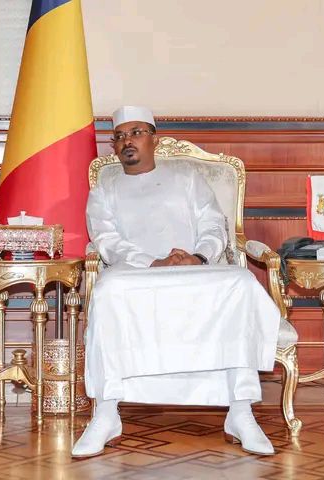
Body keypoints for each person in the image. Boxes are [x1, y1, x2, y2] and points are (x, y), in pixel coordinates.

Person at [71, 106, 281, 458]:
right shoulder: (104, 190)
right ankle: (106, 414)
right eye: (119, 136)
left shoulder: (187, 178)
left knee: (242, 283)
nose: (127, 141)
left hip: (193, 271)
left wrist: (198, 256)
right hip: (136, 274)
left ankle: (240, 412)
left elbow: (214, 224)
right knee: (106, 291)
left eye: (136, 133)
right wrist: (152, 262)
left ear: (154, 139)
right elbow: (106, 240)